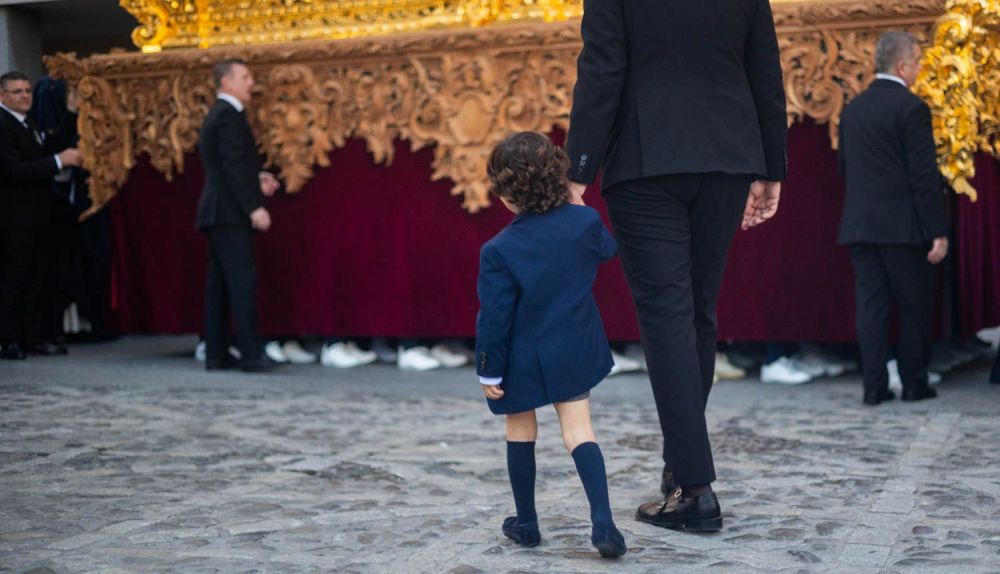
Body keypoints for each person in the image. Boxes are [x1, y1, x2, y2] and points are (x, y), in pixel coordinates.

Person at [564, 0, 787, 531]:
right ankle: (681, 471)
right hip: (728, 154)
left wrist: (577, 170)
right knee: (696, 316)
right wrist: (770, 165)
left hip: (648, 158)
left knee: (668, 319)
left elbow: (602, 68)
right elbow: (765, 70)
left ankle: (694, 488)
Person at [476, 132, 626, 558]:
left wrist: (489, 368)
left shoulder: (499, 249)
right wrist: (581, 208)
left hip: (520, 358)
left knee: (520, 431)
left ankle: (526, 523)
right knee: (580, 431)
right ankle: (603, 522)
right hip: (573, 348)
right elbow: (609, 250)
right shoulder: (584, 223)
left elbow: (495, 317)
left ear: (506, 195)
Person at [837, 31, 949, 405]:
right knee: (914, 308)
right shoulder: (912, 108)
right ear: (902, 65)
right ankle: (914, 384)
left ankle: (874, 388)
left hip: (859, 226)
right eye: (917, 62)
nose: (919, 69)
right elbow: (924, 177)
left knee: (872, 308)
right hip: (902, 229)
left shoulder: (852, 109)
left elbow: (844, 168)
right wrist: (937, 230)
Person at [196, 59, 281, 372]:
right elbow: (231, 168)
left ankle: (216, 354)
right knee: (242, 282)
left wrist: (256, 177)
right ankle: (251, 354)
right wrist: (254, 207)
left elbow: (227, 166)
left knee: (218, 285)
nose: (251, 83)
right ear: (226, 82)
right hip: (229, 212)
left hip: (217, 210)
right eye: (245, 77)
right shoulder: (230, 116)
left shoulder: (219, 115)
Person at [0, 70, 82, 360]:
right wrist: (59, 161)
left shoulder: (26, 122)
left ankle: (30, 337)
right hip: (13, 219)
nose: (25, 95)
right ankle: (6, 339)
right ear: (2, 95)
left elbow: (47, 147)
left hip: (37, 217)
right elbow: (13, 170)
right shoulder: (2, 124)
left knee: (36, 278)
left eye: (27, 90)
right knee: (13, 279)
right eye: (17, 91)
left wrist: (71, 114)